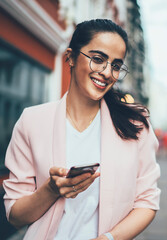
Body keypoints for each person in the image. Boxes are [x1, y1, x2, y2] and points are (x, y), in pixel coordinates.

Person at [3, 19, 160, 240]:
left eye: (115, 65)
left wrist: (108, 238)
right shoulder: (32, 121)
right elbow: (15, 216)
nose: (107, 73)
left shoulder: (136, 125)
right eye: (98, 59)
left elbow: (147, 202)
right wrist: (51, 190)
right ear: (71, 57)